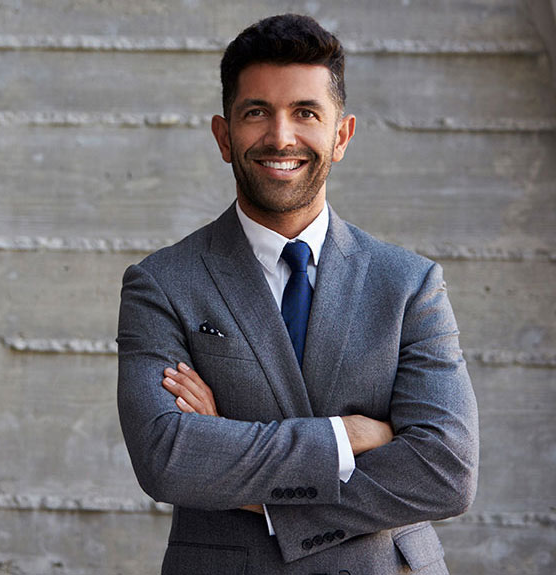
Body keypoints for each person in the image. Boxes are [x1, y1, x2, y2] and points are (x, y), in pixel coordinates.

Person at [116, 14, 479, 574]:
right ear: (223, 135)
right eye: (257, 112)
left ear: (341, 136)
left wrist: (249, 476)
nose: (280, 137)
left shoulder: (409, 284)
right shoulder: (162, 283)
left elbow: (446, 471)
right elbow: (168, 458)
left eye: (305, 113)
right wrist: (349, 436)